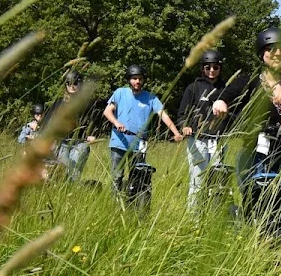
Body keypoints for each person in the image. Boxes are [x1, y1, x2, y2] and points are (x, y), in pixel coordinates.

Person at [212, 27, 281, 242]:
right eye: (271, 49)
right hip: (253, 152)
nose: (277, 53)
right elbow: (228, 94)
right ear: (262, 54)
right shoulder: (250, 81)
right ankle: (244, 226)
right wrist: (221, 103)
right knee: (254, 206)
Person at [102, 64, 183, 194]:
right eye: (134, 78)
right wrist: (116, 123)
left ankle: (132, 201)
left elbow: (163, 115)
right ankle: (114, 201)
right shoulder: (120, 93)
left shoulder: (151, 98)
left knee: (137, 177)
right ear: (129, 80)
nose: (137, 81)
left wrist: (176, 132)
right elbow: (107, 112)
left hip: (139, 144)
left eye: (140, 78)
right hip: (119, 142)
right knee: (117, 176)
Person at [178, 49, 231, 211]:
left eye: (215, 67)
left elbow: (234, 111)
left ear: (220, 68)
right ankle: (194, 217)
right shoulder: (193, 88)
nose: (212, 70)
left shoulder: (226, 88)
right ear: (202, 68)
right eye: (208, 67)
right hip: (198, 139)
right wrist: (185, 126)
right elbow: (182, 114)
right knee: (197, 180)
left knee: (217, 180)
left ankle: (213, 213)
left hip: (218, 140)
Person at [45, 70, 103, 182]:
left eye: (75, 83)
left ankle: (73, 186)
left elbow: (95, 121)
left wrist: (93, 134)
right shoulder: (59, 103)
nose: (72, 86)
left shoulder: (87, 104)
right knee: (64, 168)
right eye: (69, 83)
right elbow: (47, 121)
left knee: (75, 170)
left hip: (80, 142)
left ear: (80, 84)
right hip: (62, 142)